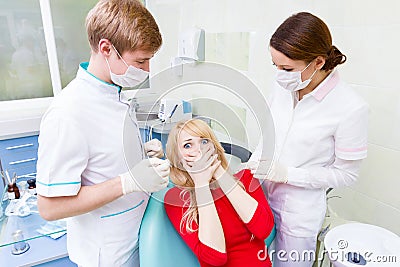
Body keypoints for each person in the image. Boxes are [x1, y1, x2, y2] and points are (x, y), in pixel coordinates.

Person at [36, 1, 170, 266]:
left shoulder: (114, 94)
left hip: (135, 240)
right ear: (106, 48)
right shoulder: (68, 112)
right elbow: (50, 207)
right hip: (108, 256)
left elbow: (101, 158)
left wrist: (137, 154)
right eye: (140, 61)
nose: (146, 71)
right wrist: (127, 182)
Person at [248, 12, 369, 266]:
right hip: (260, 201)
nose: (280, 74)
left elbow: (346, 175)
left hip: (298, 216)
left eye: (287, 68)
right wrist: (253, 165)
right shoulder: (283, 86)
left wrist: (289, 175)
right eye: (276, 66)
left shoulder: (350, 107)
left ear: (318, 62)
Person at [164, 119, 275, 267]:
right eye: (188, 145)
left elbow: (264, 230)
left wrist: (219, 171)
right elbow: (216, 257)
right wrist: (201, 184)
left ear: (214, 147)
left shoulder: (247, 179)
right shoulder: (176, 199)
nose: (200, 150)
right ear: (178, 160)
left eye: (204, 141)